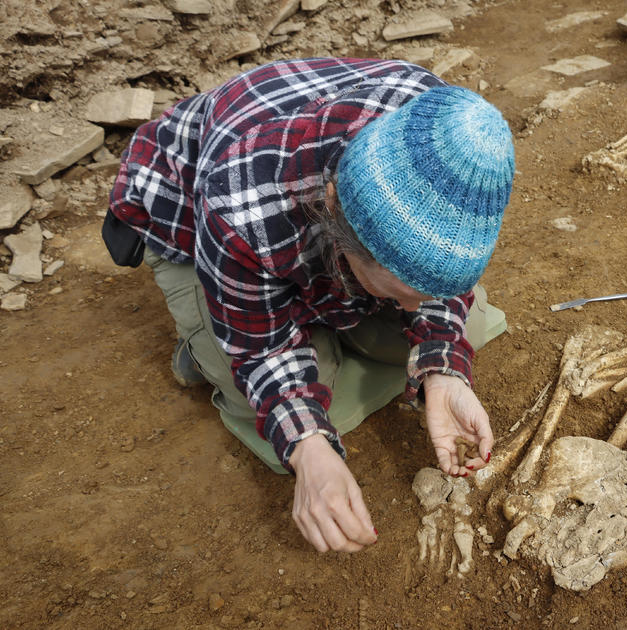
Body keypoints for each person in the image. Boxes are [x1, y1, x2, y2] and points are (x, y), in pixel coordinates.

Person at [105, 58, 515, 553]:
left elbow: (441, 293)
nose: (415, 305)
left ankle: (326, 329)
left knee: (467, 324)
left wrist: (443, 369)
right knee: (291, 433)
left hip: (311, 228)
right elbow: (264, 355)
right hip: (186, 209)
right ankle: (204, 344)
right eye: (399, 289)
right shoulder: (241, 206)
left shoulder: (445, 133)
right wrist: (309, 450)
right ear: (334, 208)